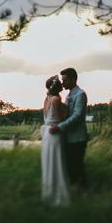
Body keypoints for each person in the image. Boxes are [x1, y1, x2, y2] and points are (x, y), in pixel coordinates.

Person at [49, 67, 88, 192]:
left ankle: (81, 190)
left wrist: (59, 127)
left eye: (64, 80)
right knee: (70, 166)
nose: (62, 83)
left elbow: (77, 116)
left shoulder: (80, 94)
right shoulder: (68, 96)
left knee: (77, 166)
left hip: (78, 137)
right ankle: (73, 189)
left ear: (73, 79)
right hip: (68, 137)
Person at [41, 75, 71, 206]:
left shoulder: (46, 99)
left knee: (49, 163)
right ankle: (59, 196)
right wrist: (68, 106)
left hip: (47, 133)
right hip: (55, 133)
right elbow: (61, 119)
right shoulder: (56, 100)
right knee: (58, 163)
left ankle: (49, 192)